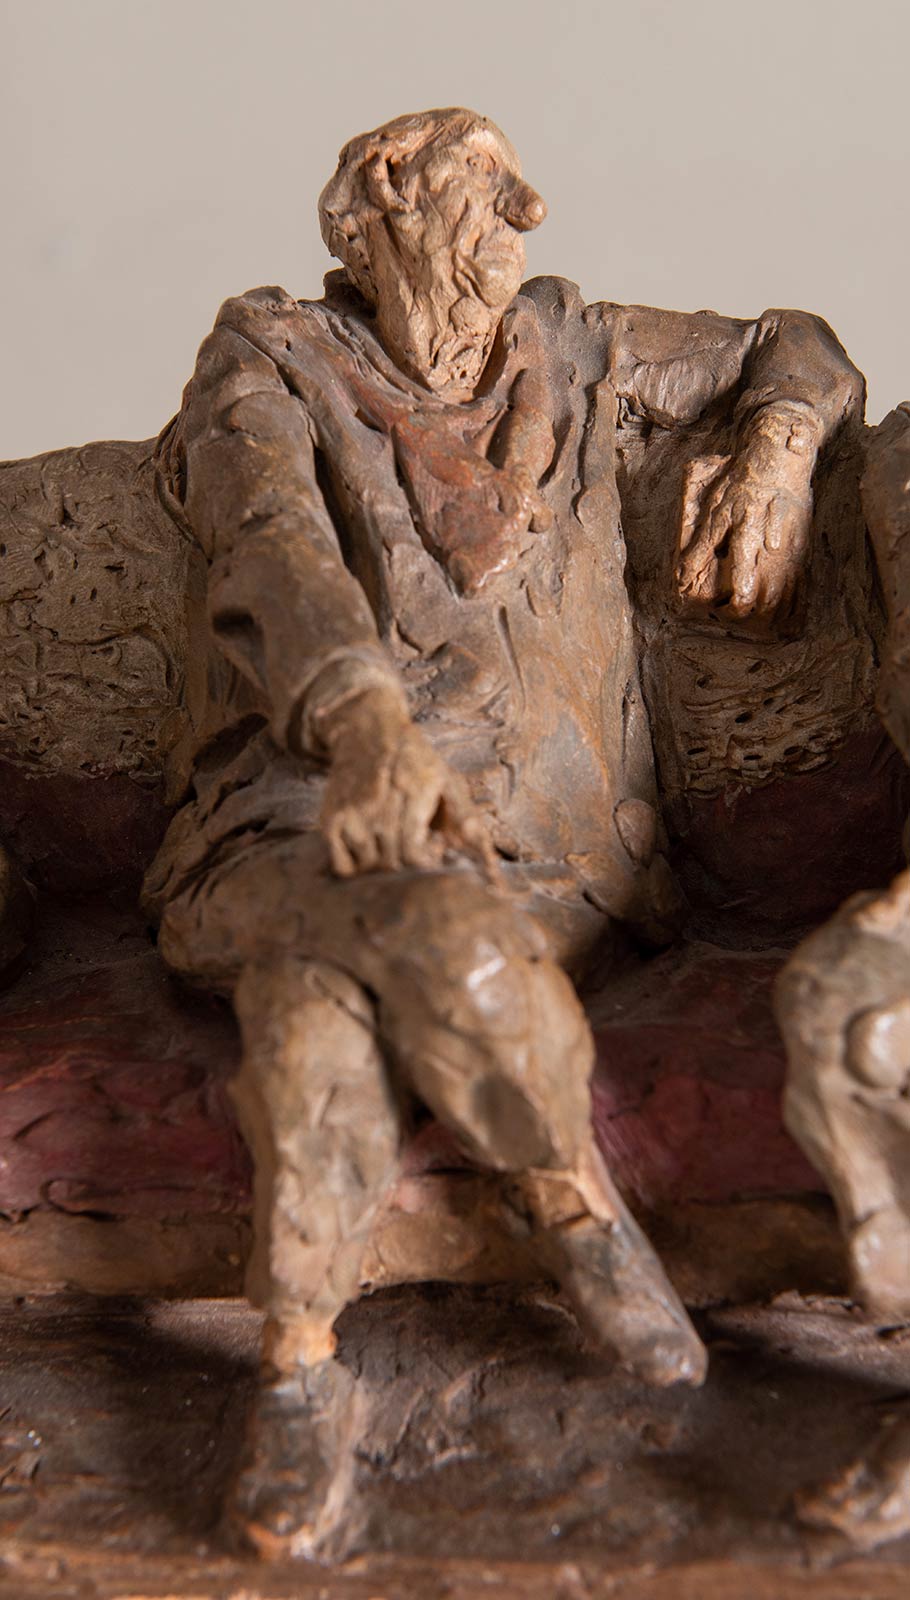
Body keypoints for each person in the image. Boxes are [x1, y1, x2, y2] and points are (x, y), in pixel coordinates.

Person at [142, 107, 864, 1558]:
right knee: (395, 922)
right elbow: (272, 545)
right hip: (294, 813)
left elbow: (793, 345)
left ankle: (294, 1372)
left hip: (531, 851)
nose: (517, 223)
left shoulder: (579, 346)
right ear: (371, 227)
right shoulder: (266, 360)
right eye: (473, 196)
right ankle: (575, 1209)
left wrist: (776, 453)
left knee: (316, 1003)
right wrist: (363, 728)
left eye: (515, 197)